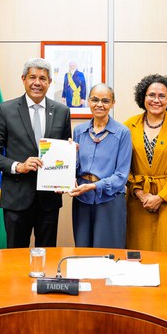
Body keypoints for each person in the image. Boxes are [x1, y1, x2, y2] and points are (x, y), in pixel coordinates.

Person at [0, 58, 72, 248]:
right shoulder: (5, 110)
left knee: (47, 256)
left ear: (49, 82)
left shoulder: (62, 111)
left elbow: (65, 150)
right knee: (16, 257)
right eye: (32, 77)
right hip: (16, 198)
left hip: (48, 200)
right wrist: (19, 166)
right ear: (23, 79)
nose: (37, 82)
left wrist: (70, 155)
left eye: (43, 78)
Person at [125, 74, 167, 254]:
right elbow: (123, 166)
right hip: (138, 199)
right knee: (138, 254)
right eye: (151, 95)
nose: (156, 100)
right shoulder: (129, 126)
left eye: (162, 96)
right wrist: (140, 193)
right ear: (143, 97)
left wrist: (160, 197)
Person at [69, 84, 132, 248]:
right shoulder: (79, 131)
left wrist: (94, 186)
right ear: (88, 101)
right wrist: (69, 158)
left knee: (107, 254)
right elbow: (74, 169)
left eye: (105, 101)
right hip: (82, 199)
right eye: (95, 100)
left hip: (109, 200)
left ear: (113, 103)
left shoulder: (122, 133)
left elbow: (121, 175)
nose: (99, 104)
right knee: (82, 251)